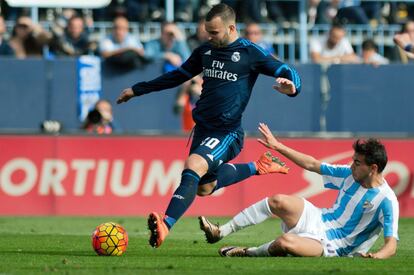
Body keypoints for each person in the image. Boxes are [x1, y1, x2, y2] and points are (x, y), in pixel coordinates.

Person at [116, 3, 301, 249]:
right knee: (205, 187)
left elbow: (286, 70)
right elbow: (177, 76)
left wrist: (292, 88)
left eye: (214, 32)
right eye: (207, 32)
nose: (209, 37)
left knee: (193, 165)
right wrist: (137, 90)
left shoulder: (249, 53)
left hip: (227, 132)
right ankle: (257, 166)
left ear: (231, 27)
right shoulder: (205, 51)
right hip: (203, 129)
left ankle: (166, 223)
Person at [199, 123, 399, 259]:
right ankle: (221, 231)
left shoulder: (386, 200)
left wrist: (376, 256)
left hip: (335, 247)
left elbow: (391, 244)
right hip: (319, 218)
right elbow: (312, 164)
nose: (352, 165)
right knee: (278, 201)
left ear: (373, 168)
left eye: (357, 163)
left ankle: (247, 252)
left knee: (286, 243)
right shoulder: (349, 174)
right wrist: (278, 146)